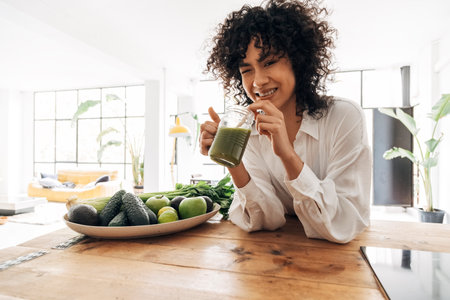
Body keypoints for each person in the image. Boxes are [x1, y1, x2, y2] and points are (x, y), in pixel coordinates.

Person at [199, 0, 371, 243]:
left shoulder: (344, 117)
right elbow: (266, 219)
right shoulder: (247, 132)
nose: (257, 81)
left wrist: (287, 154)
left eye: (269, 62)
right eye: (247, 69)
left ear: (298, 61)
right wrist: (232, 160)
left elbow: (344, 222)